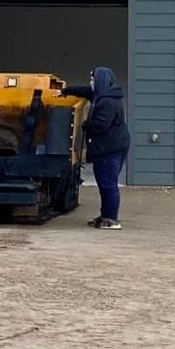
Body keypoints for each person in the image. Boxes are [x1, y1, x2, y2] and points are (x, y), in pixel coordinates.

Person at [67, 66, 131, 229]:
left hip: (110, 149)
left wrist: (85, 125)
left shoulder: (107, 102)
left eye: (93, 79)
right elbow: (85, 91)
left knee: (108, 183)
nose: (91, 83)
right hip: (110, 147)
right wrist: (65, 91)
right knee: (105, 182)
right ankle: (106, 215)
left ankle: (111, 218)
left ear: (101, 81)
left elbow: (101, 125)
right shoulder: (102, 95)